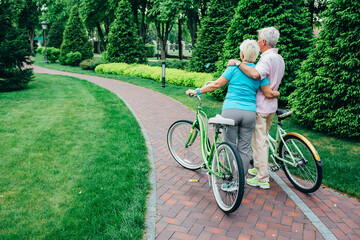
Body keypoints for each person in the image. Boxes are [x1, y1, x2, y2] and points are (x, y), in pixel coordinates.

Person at [186, 39, 280, 180]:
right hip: (250, 113)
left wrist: (197, 91)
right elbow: (268, 92)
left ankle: (229, 179)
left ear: (242, 54)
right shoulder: (258, 73)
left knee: (229, 145)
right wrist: (278, 94)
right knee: (244, 148)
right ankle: (241, 180)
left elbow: (216, 84)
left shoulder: (233, 69)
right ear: (256, 56)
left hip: (231, 112)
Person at [228, 27, 285, 189]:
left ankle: (262, 178)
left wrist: (238, 63)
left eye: (259, 39)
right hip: (271, 107)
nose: (258, 41)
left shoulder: (266, 59)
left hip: (260, 106)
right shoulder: (279, 58)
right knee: (262, 139)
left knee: (259, 143)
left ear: (264, 42)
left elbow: (255, 75)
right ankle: (258, 168)